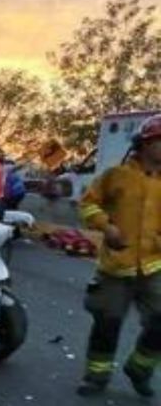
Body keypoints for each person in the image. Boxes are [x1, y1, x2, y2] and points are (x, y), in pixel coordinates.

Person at [76, 114, 161, 398]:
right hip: (116, 268)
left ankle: (139, 369)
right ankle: (96, 377)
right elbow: (88, 204)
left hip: (154, 266)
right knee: (106, 324)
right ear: (146, 143)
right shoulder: (116, 175)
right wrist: (106, 226)